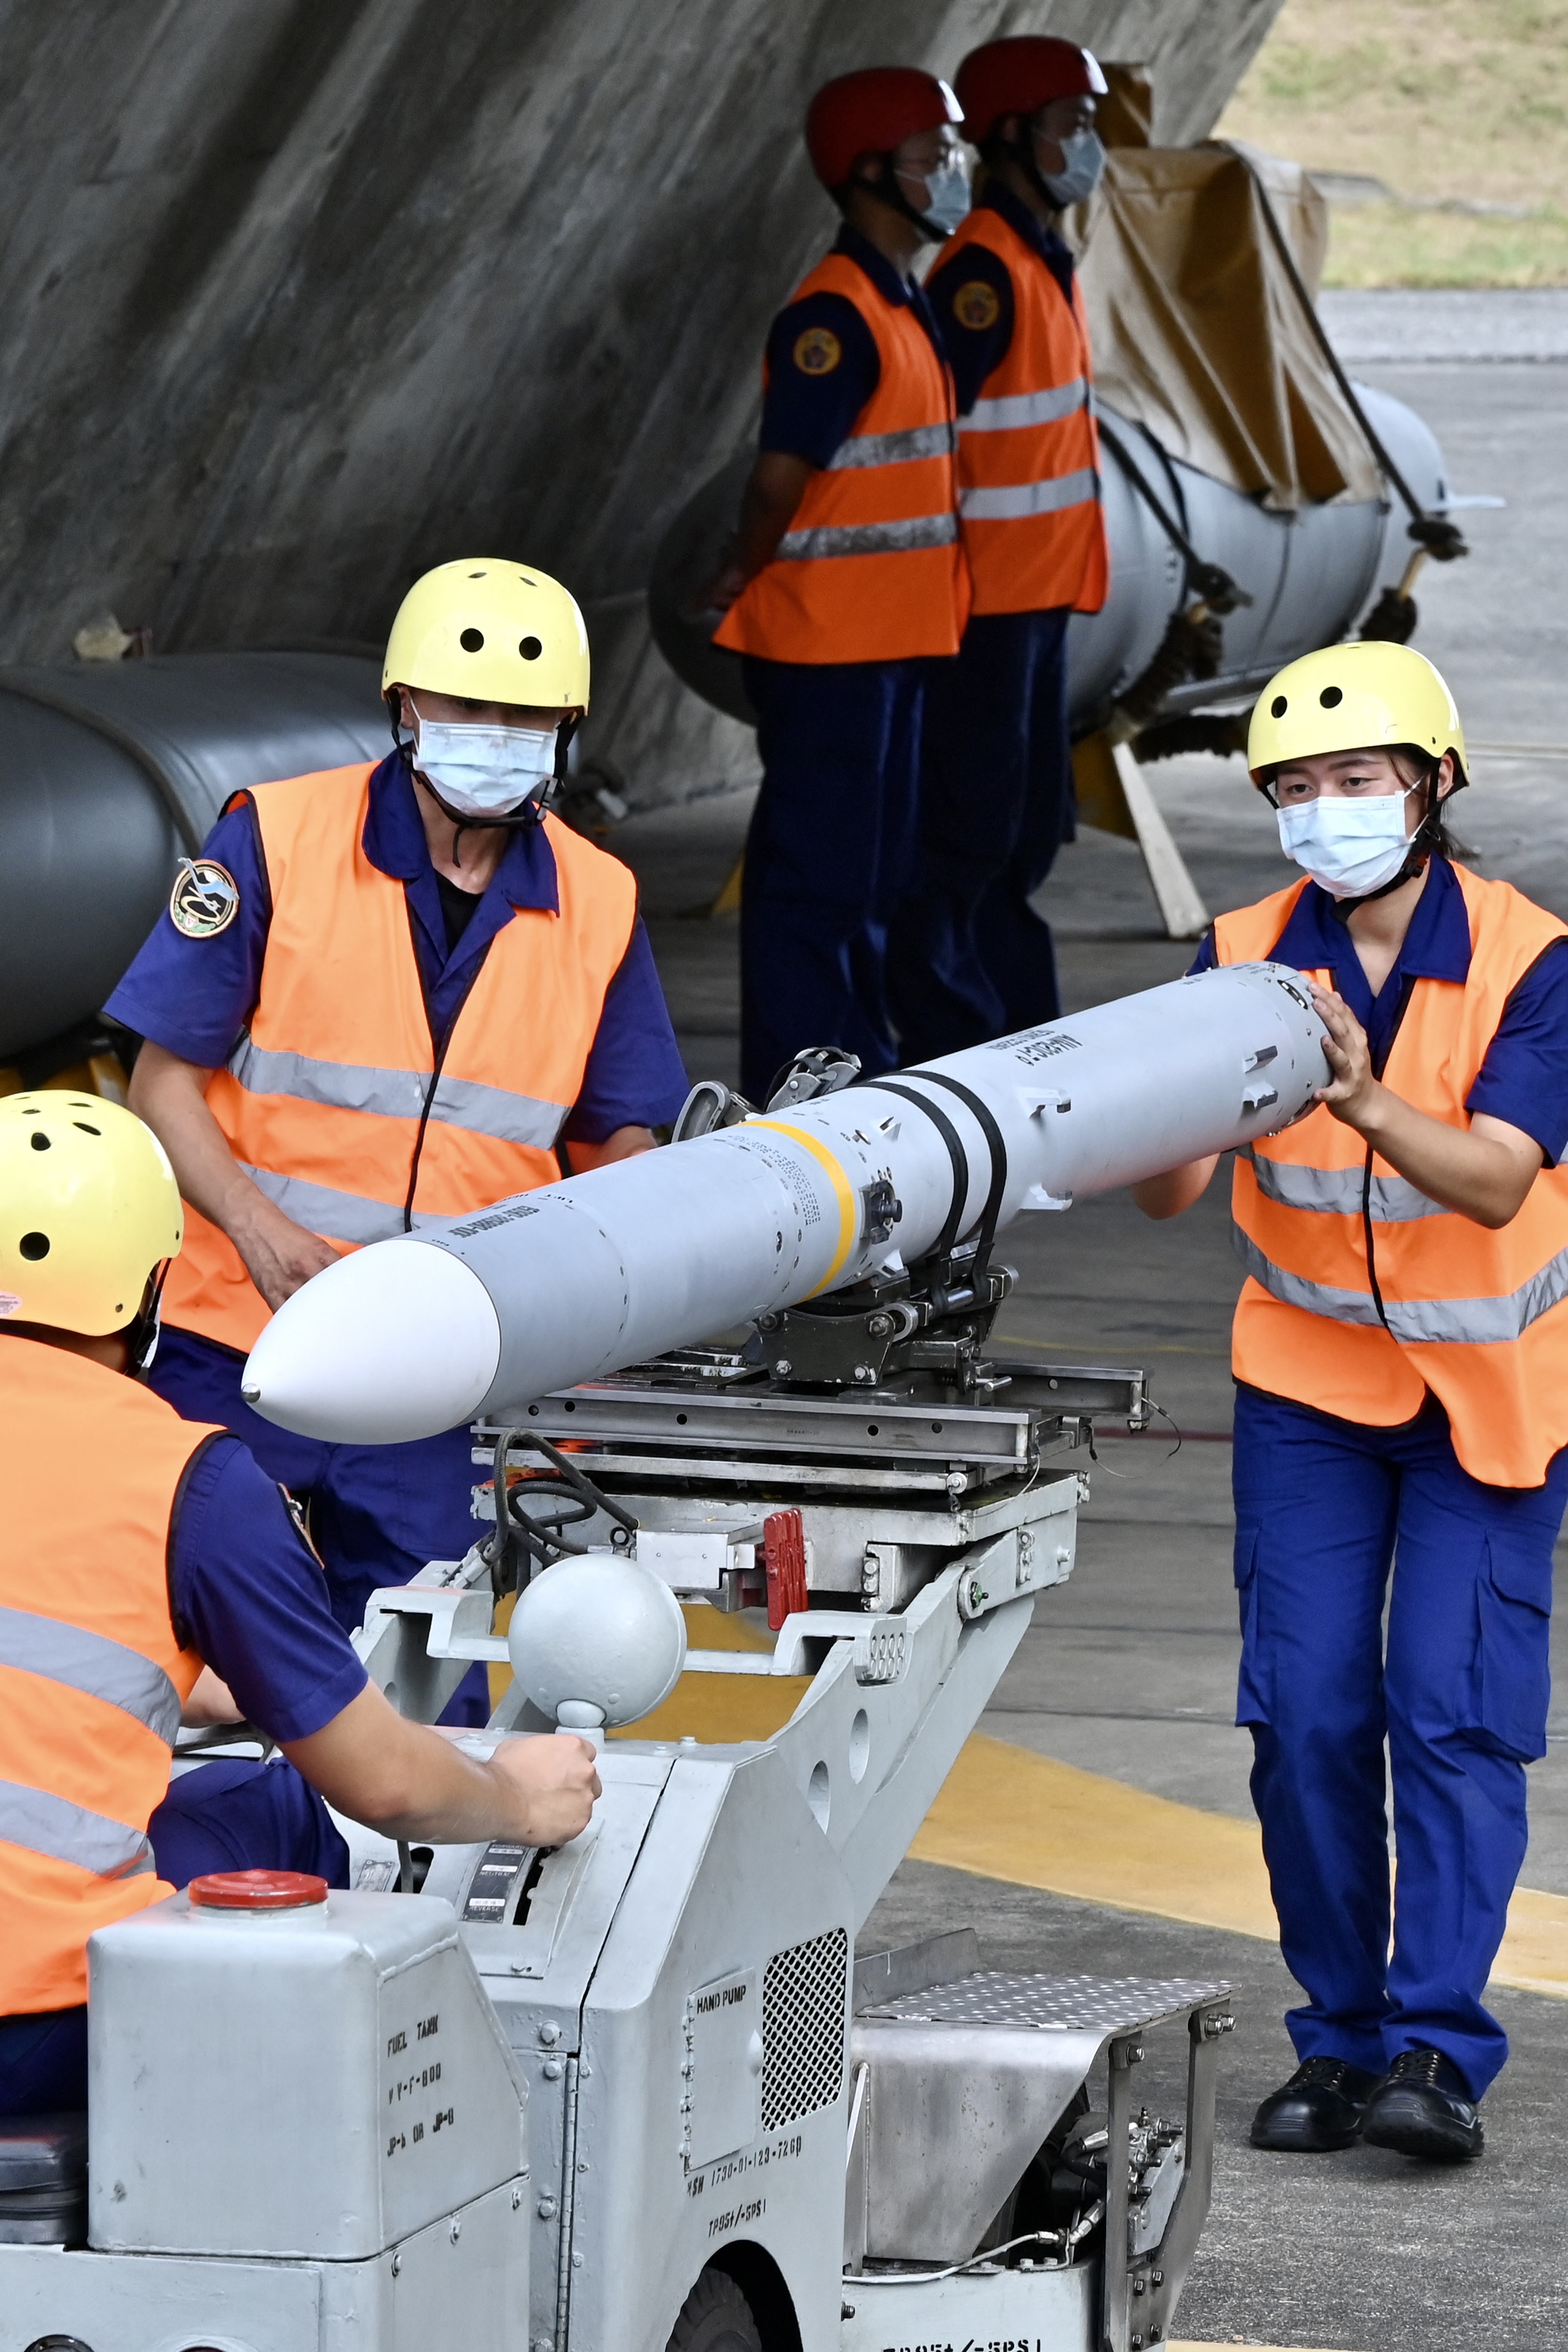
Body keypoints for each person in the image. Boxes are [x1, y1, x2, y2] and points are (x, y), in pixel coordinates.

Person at [107, 561, 689, 1709]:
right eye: (467, 708)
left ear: (566, 730)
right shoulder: (274, 839)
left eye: (526, 717)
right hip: (241, 1341)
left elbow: (623, 1144)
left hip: (448, 1368)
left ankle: (399, 1885)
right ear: (406, 710)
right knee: (192, 1656)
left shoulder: (600, 901)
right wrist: (264, 1233)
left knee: (430, 1680)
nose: (496, 735)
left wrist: (603, 1288)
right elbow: (160, 1083)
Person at [1133, 642, 1568, 2165]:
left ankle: (1435, 2054)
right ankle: (1338, 2042)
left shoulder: (1529, 958)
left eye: (1356, 781)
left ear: (1431, 785)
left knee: (1449, 1716)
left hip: (1482, 1397)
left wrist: (1357, 1093)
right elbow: (1169, 1191)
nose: (1324, 813)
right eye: (1296, 788)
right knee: (1305, 1714)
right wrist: (1148, 1105)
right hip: (1307, 1385)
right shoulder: (1240, 945)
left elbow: (1502, 1175)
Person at [0, 1094, 600, 2117]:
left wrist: (165, 1682)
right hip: (30, 2032)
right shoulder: (187, 1479)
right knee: (276, 1808)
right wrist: (515, 1795)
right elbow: (386, 1789)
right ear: (151, 1290)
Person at [710, 67, 970, 1102]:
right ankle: (798, 1082)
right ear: (866, 174)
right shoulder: (833, 319)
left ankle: (853, 1068)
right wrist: (738, 562)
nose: (950, 175)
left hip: (889, 643)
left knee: (868, 876)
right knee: (817, 882)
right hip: (830, 650)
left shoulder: (898, 301)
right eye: (928, 157)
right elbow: (781, 476)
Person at [890, 35, 1109, 1062]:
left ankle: (1012, 1030)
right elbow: (933, 438)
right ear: (1014, 134)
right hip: (983, 607)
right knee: (972, 833)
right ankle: (963, 1031)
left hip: (1034, 599)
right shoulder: (981, 269)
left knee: (1020, 830)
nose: (1089, 146)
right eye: (1073, 124)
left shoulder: (1036, 257)